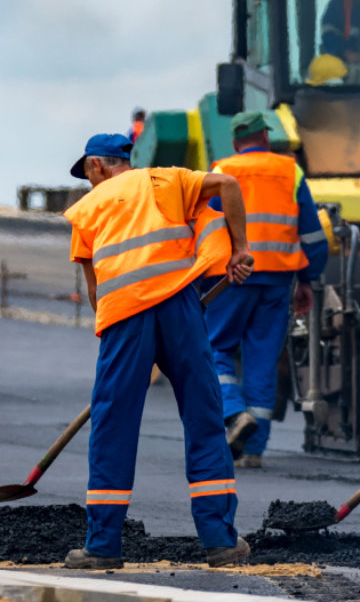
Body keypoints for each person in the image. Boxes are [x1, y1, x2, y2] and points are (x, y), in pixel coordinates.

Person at [61, 133, 254, 570]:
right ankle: (221, 542)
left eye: (89, 174)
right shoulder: (166, 181)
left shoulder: (87, 210)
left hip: (125, 317)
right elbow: (228, 185)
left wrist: (126, 343)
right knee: (204, 418)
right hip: (181, 306)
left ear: (96, 166)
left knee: (113, 425)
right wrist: (240, 247)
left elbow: (95, 294)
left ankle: (103, 546)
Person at [204, 111, 329, 468]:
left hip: (230, 277)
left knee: (214, 348)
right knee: (262, 360)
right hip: (277, 280)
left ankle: (233, 413)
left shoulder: (221, 168)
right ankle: (253, 450)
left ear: (235, 142)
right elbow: (312, 236)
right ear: (265, 137)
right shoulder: (291, 171)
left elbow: (207, 227)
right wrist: (308, 279)